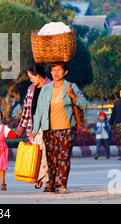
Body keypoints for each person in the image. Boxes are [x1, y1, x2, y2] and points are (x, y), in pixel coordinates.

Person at [31, 62, 87, 194]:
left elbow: (84, 104)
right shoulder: (45, 88)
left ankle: (63, 185)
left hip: (67, 128)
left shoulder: (71, 86)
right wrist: (34, 130)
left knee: (64, 156)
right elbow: (39, 110)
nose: (56, 73)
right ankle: (52, 185)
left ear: (65, 72)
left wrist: (72, 95)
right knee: (52, 158)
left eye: (59, 70)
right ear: (50, 73)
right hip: (49, 129)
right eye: (53, 70)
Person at [17, 63, 51, 189]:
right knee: (36, 152)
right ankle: (39, 176)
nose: (31, 80)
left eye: (31, 77)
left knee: (47, 152)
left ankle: (46, 179)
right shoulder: (31, 88)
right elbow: (26, 110)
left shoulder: (51, 87)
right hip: (34, 124)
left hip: (48, 125)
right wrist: (21, 128)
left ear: (38, 76)